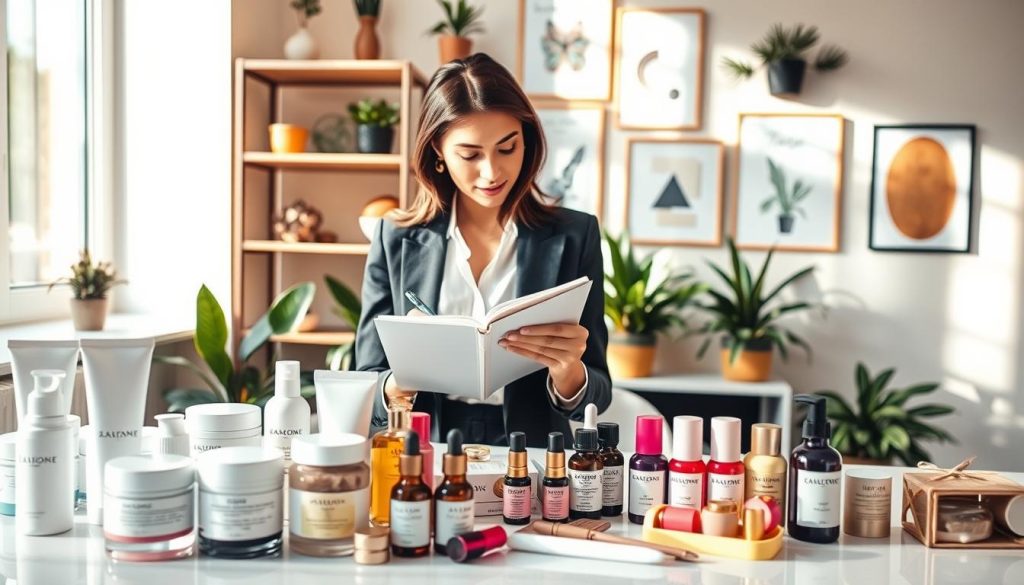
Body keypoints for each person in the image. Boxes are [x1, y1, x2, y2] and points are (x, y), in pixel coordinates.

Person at [355, 53, 610, 448]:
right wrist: (397, 382)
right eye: (470, 155)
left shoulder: (576, 235)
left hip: (534, 452)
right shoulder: (395, 237)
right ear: (437, 150)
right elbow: (366, 380)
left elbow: (599, 391)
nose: (491, 172)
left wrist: (568, 373)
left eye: (507, 148)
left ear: (527, 139)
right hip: (428, 447)